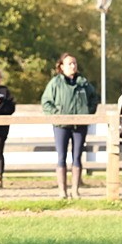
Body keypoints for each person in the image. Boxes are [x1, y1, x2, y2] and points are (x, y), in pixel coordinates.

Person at [41, 54, 99, 199]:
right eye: (70, 64)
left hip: (79, 125)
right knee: (61, 157)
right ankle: (62, 191)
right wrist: (56, 114)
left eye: (74, 63)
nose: (73, 66)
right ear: (61, 67)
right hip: (61, 125)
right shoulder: (55, 83)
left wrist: (87, 112)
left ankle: (75, 190)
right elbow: (46, 102)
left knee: (77, 157)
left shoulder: (83, 83)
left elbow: (94, 98)